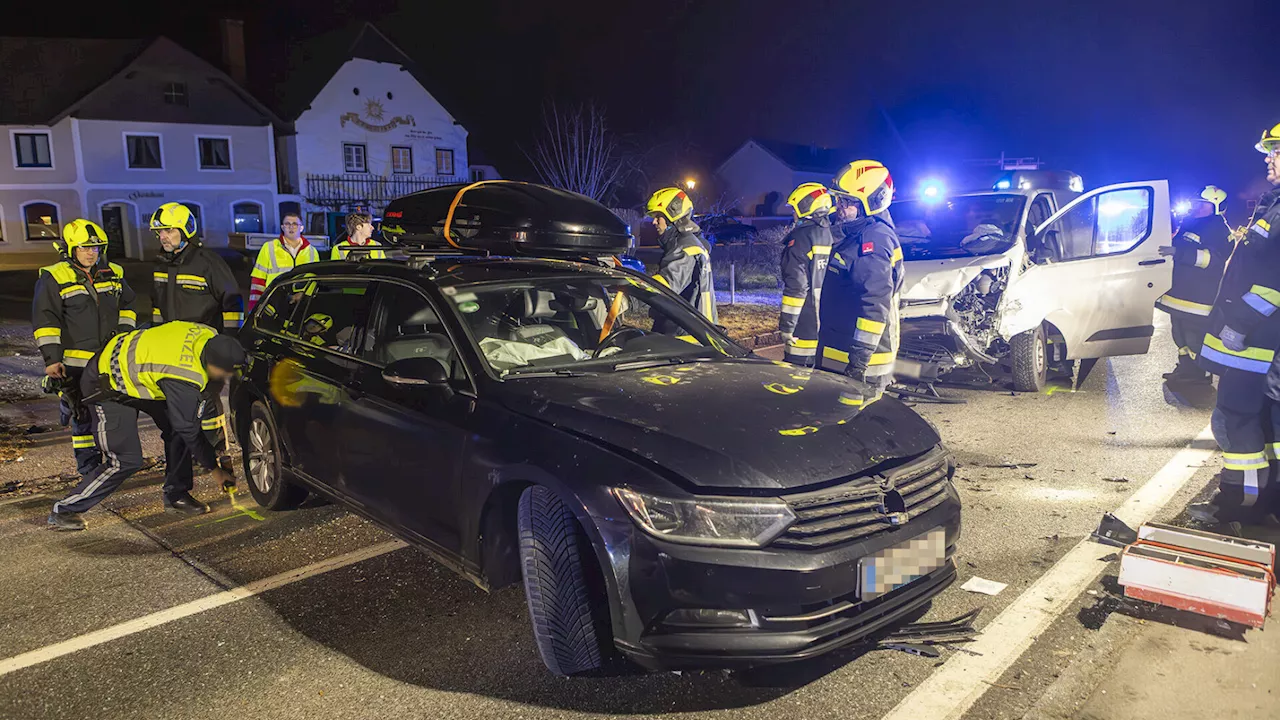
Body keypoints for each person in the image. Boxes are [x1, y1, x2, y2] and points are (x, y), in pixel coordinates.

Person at [47, 321, 243, 531]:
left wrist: (218, 451)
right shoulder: (185, 377)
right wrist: (216, 471)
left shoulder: (207, 333)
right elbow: (190, 430)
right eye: (224, 373)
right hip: (106, 383)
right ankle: (65, 509)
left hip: (137, 369)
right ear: (211, 364)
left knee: (178, 427)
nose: (226, 379)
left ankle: (176, 495)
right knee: (125, 460)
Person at [1188, 123, 1280, 527]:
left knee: (1234, 419)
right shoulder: (1274, 206)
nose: (1267, 158)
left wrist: (1240, 323)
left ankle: (1235, 505)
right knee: (1269, 425)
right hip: (1264, 340)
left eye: (1274, 150)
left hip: (1258, 340)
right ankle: (1266, 502)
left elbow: (1274, 282)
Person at [32, 219, 138, 476]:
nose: (92, 253)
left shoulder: (114, 272)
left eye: (97, 248)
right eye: (85, 248)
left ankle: (116, 462)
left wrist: (124, 335)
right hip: (75, 366)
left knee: (115, 412)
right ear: (70, 248)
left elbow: (129, 305)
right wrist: (52, 360)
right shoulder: (54, 277)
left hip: (110, 361)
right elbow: (46, 321)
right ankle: (88, 468)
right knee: (82, 417)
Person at [149, 202, 244, 452]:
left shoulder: (208, 262)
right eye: (160, 232)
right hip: (172, 351)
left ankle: (217, 450)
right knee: (177, 403)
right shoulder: (161, 265)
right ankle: (188, 453)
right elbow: (157, 308)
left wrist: (229, 342)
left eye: (169, 230)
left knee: (208, 402)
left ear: (185, 230)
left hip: (204, 348)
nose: (163, 237)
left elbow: (232, 302)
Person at [817, 160, 904, 407]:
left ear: (873, 202)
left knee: (855, 431)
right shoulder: (857, 234)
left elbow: (874, 304)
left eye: (848, 202)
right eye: (839, 200)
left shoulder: (873, 241)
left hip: (860, 363)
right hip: (841, 352)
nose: (840, 208)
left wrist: (859, 363)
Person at [1155, 185, 1232, 384]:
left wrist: (1179, 253)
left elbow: (1213, 260)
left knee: (1194, 337)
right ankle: (1185, 368)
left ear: (1216, 207)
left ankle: (1201, 374)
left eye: (1202, 204)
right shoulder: (1193, 224)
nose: (1196, 207)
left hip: (1198, 298)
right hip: (1180, 294)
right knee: (1179, 334)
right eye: (1196, 203)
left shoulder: (1219, 230)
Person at [779, 183, 835, 365]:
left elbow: (796, 287)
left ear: (806, 207)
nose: (793, 214)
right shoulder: (833, 235)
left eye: (795, 209)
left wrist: (787, 327)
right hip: (829, 326)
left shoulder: (800, 240)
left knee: (795, 384)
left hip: (804, 327)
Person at [645, 187, 717, 323]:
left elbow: (665, 284)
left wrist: (629, 298)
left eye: (657, 217)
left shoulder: (687, 248)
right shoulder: (685, 245)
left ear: (673, 217)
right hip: (686, 328)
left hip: (688, 334)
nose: (653, 222)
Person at [248, 211, 320, 308]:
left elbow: (315, 280)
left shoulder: (312, 251)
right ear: (282, 227)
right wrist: (254, 308)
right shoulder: (269, 247)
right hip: (274, 304)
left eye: (295, 224)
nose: (291, 227)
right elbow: (258, 281)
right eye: (287, 224)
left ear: (301, 228)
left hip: (303, 304)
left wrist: (306, 296)